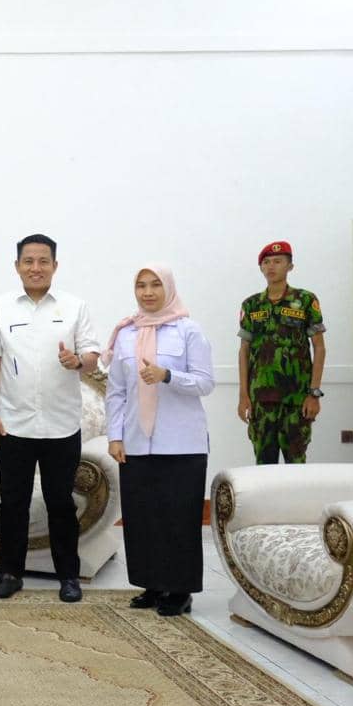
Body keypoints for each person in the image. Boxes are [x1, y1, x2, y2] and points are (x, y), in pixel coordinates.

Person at [0, 233, 100, 603]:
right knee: (12, 502)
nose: (36, 268)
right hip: (13, 424)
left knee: (60, 502)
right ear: (17, 266)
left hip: (61, 425)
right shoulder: (0, 306)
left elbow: (92, 354)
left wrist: (77, 361)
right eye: (28, 261)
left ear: (54, 266)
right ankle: (10, 572)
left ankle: (68, 576)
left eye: (43, 261)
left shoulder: (74, 306)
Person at [103, 264, 214, 616]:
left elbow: (205, 382)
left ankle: (179, 590)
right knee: (143, 518)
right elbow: (116, 391)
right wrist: (115, 436)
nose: (148, 292)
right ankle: (151, 584)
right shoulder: (125, 333)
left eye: (155, 285)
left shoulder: (188, 330)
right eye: (141, 286)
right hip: (137, 441)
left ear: (168, 288)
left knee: (178, 518)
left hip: (181, 442)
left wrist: (168, 375)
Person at [237, 241, 326, 465]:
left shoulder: (305, 300)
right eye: (266, 262)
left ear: (290, 266)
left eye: (277, 261)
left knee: (296, 464)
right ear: (261, 267)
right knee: (263, 464)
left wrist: (314, 394)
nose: (271, 266)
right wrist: (243, 395)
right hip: (261, 400)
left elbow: (319, 347)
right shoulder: (251, 305)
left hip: (296, 399)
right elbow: (244, 350)